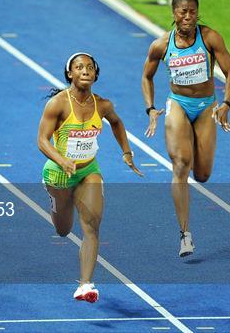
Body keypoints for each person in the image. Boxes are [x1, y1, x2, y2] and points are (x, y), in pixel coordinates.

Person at [38, 52, 143, 303]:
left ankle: (85, 285)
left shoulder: (102, 105)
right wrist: (62, 160)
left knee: (92, 226)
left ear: (95, 74)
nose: (85, 70)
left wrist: (126, 152)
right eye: (79, 67)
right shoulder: (58, 104)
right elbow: (42, 140)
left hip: (87, 171)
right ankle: (55, 201)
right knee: (63, 230)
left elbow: (116, 123)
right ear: (69, 74)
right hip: (58, 174)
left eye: (89, 67)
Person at [140, 0, 230, 257]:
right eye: (182, 11)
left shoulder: (210, 38)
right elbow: (146, 77)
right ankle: (185, 235)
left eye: (192, 11)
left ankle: (194, 140)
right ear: (174, 14)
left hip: (206, 106)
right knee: (181, 164)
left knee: (202, 175)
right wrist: (150, 108)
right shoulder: (161, 45)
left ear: (197, 12)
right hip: (178, 104)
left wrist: (226, 103)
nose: (187, 16)